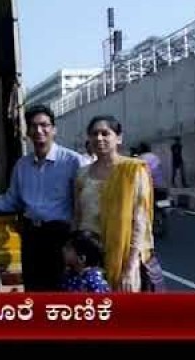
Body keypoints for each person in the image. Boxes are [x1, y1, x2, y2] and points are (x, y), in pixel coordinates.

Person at [0, 104, 86, 291]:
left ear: (54, 129)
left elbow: (85, 202)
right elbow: (10, 202)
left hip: (61, 237)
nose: (39, 130)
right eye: (33, 126)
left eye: (44, 125)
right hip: (32, 237)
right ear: (27, 132)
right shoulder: (22, 166)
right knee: (34, 291)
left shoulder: (73, 161)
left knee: (60, 292)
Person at [74, 115, 156, 292]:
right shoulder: (82, 174)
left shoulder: (133, 170)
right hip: (89, 259)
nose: (99, 138)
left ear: (119, 138)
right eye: (94, 134)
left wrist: (131, 265)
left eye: (105, 133)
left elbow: (140, 221)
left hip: (123, 257)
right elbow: (78, 217)